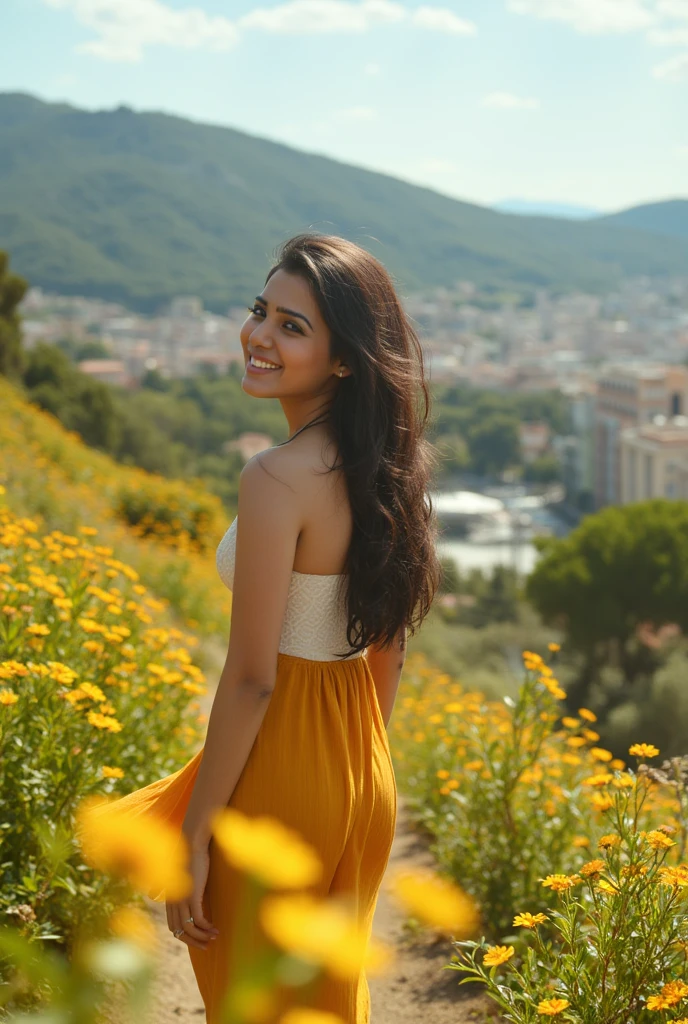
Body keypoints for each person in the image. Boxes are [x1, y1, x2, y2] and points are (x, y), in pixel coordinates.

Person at [107, 234, 441, 1022]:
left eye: (294, 326)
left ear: (346, 359)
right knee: (326, 1003)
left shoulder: (274, 478)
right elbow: (386, 645)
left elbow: (254, 676)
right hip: (361, 767)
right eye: (263, 311)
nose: (259, 335)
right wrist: (355, 766)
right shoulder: (395, 471)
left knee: (255, 1006)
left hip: (280, 770)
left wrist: (191, 837)